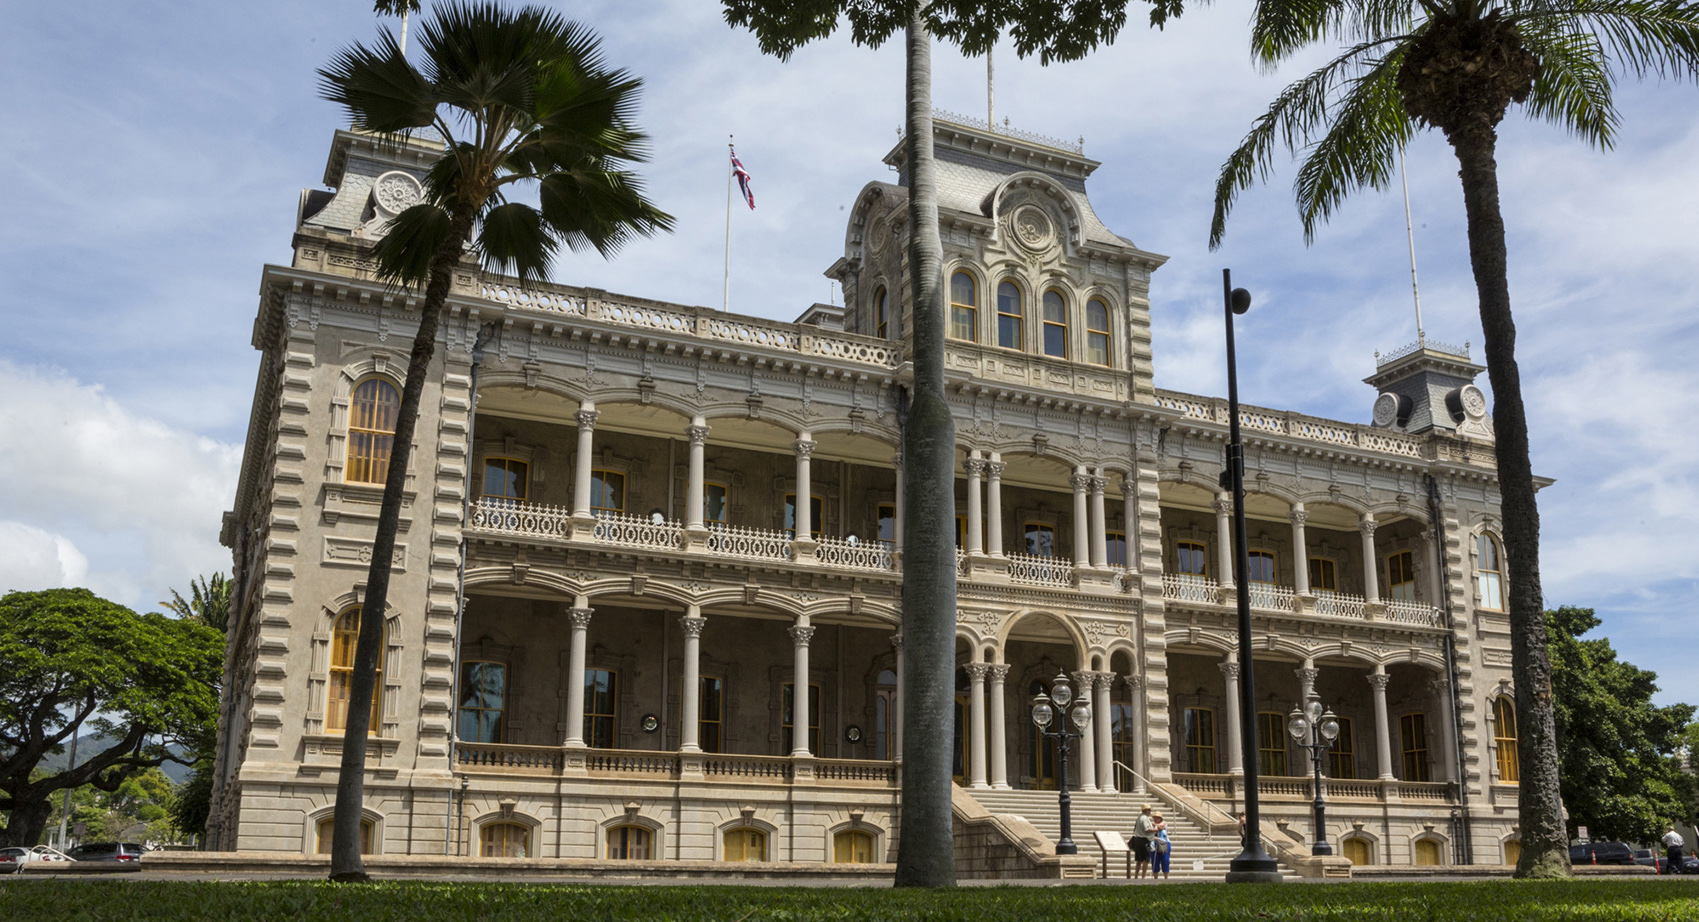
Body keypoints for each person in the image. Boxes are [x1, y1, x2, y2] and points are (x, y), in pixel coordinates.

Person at [1130, 804, 1156, 879]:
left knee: (1139, 860)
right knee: (1146, 860)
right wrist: (1155, 830)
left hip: (1138, 839)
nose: (1150, 811)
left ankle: (1136, 876)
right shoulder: (1144, 818)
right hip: (1144, 840)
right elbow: (1147, 829)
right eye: (1149, 810)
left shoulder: (1139, 817)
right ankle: (1143, 875)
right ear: (1145, 810)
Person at [1151, 812, 1172, 880]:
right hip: (1154, 844)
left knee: (1165, 860)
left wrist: (1154, 825)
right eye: (1155, 818)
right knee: (1154, 861)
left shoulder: (1164, 823)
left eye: (1157, 818)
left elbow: (1161, 827)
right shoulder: (1151, 825)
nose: (1156, 819)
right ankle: (1155, 878)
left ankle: (1166, 877)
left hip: (1164, 843)